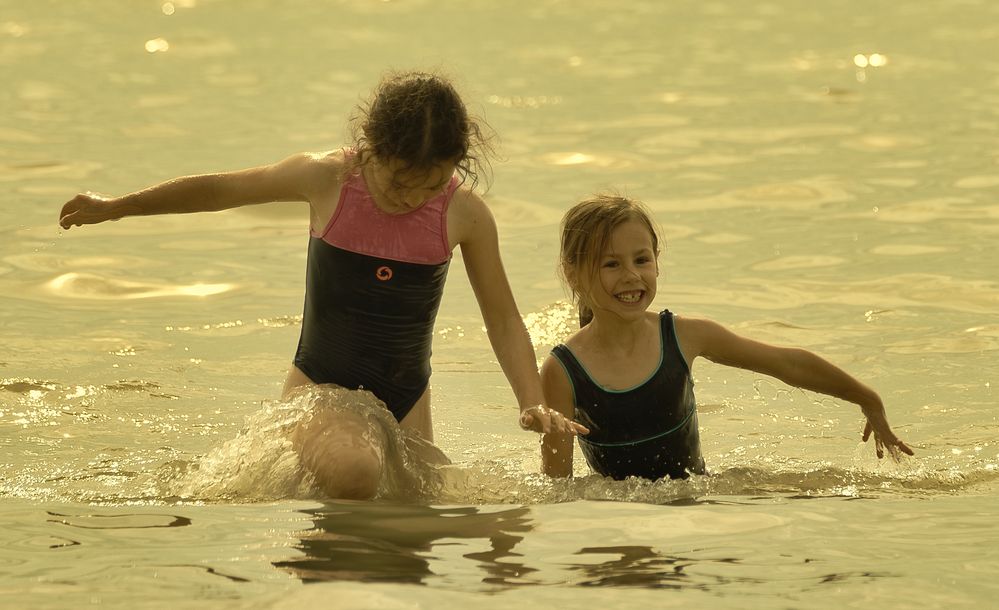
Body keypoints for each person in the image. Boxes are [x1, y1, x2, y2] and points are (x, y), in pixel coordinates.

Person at [58, 70, 585, 500]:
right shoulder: (328, 179)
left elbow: (502, 318)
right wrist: (118, 206)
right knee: (356, 473)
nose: (412, 198)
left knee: (418, 522)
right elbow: (222, 189)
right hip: (321, 387)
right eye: (399, 181)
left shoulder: (464, 214)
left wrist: (531, 399)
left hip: (406, 399)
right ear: (370, 150)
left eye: (429, 184)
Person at [540, 194, 913, 481]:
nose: (631, 276)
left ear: (657, 260)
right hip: (615, 526)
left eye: (641, 260)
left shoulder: (683, 336)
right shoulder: (564, 370)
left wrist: (868, 398)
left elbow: (786, 363)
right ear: (573, 275)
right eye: (611, 264)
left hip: (694, 505)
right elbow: (559, 487)